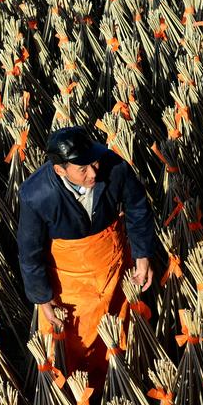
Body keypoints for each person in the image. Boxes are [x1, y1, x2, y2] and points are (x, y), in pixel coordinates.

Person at [17, 126, 155, 388]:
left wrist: (142, 256)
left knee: (119, 333)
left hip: (114, 271)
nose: (93, 173)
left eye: (94, 163)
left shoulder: (114, 168)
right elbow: (29, 251)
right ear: (60, 170)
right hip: (69, 285)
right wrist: (43, 299)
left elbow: (137, 207)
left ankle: (120, 385)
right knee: (72, 346)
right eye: (83, 169)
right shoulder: (36, 195)